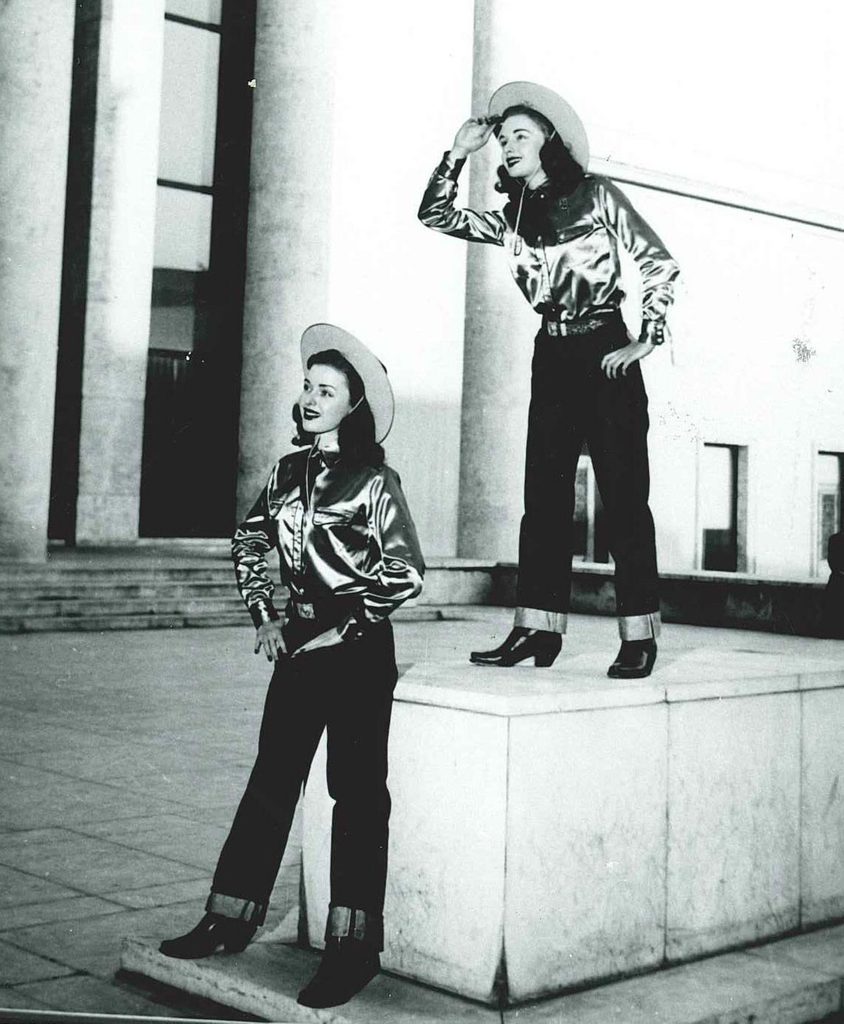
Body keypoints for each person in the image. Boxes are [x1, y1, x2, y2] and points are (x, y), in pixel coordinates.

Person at [158, 324, 424, 1010]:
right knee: (272, 780)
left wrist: (344, 627)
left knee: (356, 792)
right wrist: (265, 615)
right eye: (308, 386)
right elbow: (248, 540)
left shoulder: (376, 481)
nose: (309, 398)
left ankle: (352, 950)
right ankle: (227, 919)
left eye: (326, 391)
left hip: (359, 647)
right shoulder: (285, 471)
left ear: (353, 406)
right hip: (299, 639)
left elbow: (405, 572)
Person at [418, 81, 679, 679]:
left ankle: (639, 636)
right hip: (552, 355)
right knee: (543, 500)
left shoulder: (597, 193)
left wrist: (646, 338)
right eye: (503, 139)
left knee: (623, 502)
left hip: (606, 349)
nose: (508, 146)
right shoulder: (513, 214)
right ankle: (537, 630)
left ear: (549, 143)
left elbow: (658, 262)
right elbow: (435, 215)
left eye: (521, 136)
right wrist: (457, 154)